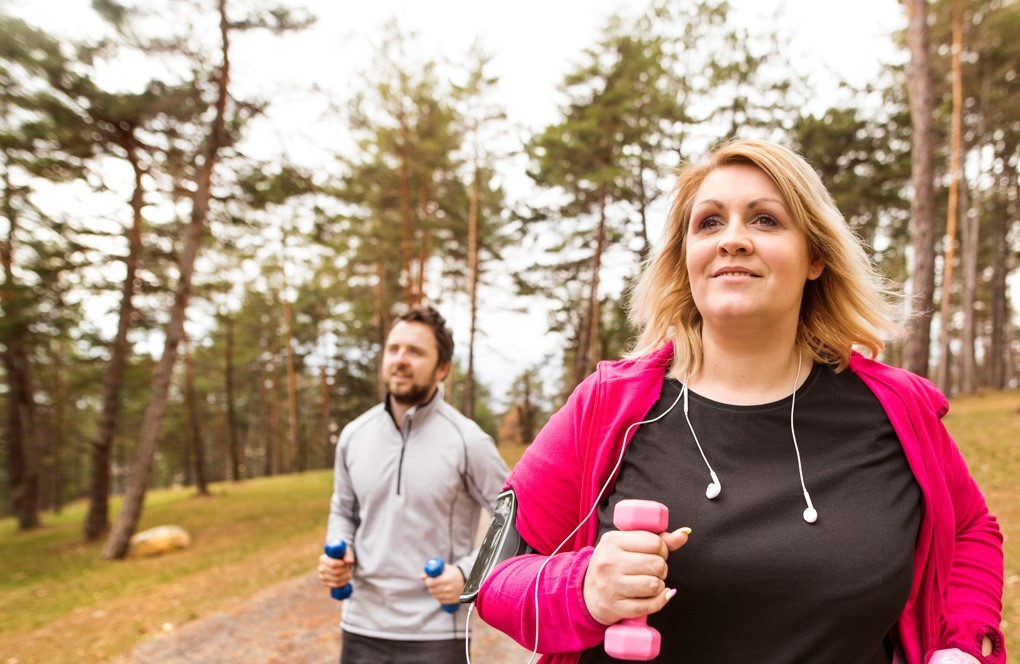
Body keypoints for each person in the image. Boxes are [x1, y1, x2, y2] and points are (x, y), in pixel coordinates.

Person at [474, 139, 1005, 663]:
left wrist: (962, 647)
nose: (733, 240)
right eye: (708, 222)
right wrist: (584, 589)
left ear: (816, 256)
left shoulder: (896, 408)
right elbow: (494, 579)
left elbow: (969, 529)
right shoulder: (610, 405)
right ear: (685, 259)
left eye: (765, 220)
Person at [317, 304, 510, 664]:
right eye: (394, 349)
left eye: (415, 351)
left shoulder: (469, 441)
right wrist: (340, 547)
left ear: (442, 369)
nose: (400, 359)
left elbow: (514, 522)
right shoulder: (353, 435)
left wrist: (468, 574)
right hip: (361, 625)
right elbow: (343, 510)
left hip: (436, 633)